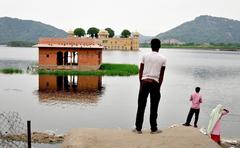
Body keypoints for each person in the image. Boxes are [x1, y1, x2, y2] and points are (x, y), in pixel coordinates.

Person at [133, 38, 167, 134]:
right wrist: (158, 86)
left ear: (151, 46)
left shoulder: (145, 56)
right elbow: (161, 74)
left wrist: (141, 82)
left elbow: (141, 70)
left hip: (144, 82)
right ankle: (153, 129)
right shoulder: (163, 58)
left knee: (141, 106)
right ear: (159, 46)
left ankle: (138, 129)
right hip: (155, 83)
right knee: (154, 107)